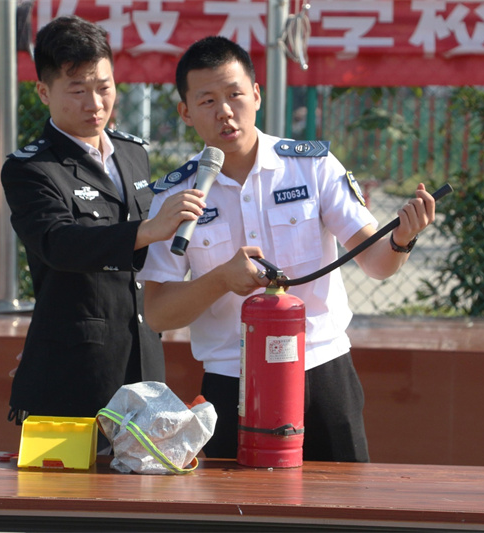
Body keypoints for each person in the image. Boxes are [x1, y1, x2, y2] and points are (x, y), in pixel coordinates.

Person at [138, 36, 436, 461]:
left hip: (321, 368)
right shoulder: (176, 196)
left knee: (342, 497)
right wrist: (221, 279)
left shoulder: (311, 167)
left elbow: (376, 263)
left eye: (235, 94)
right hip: (231, 380)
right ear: (185, 112)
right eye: (207, 101)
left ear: (257, 95)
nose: (225, 111)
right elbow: (158, 313)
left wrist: (402, 239)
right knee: (236, 500)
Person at [1, 16, 207, 431]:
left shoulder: (133, 153)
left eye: (104, 87)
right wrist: (146, 231)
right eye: (77, 90)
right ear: (44, 92)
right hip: (73, 369)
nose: (94, 104)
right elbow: (60, 243)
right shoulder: (31, 169)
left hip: (144, 359)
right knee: (74, 475)